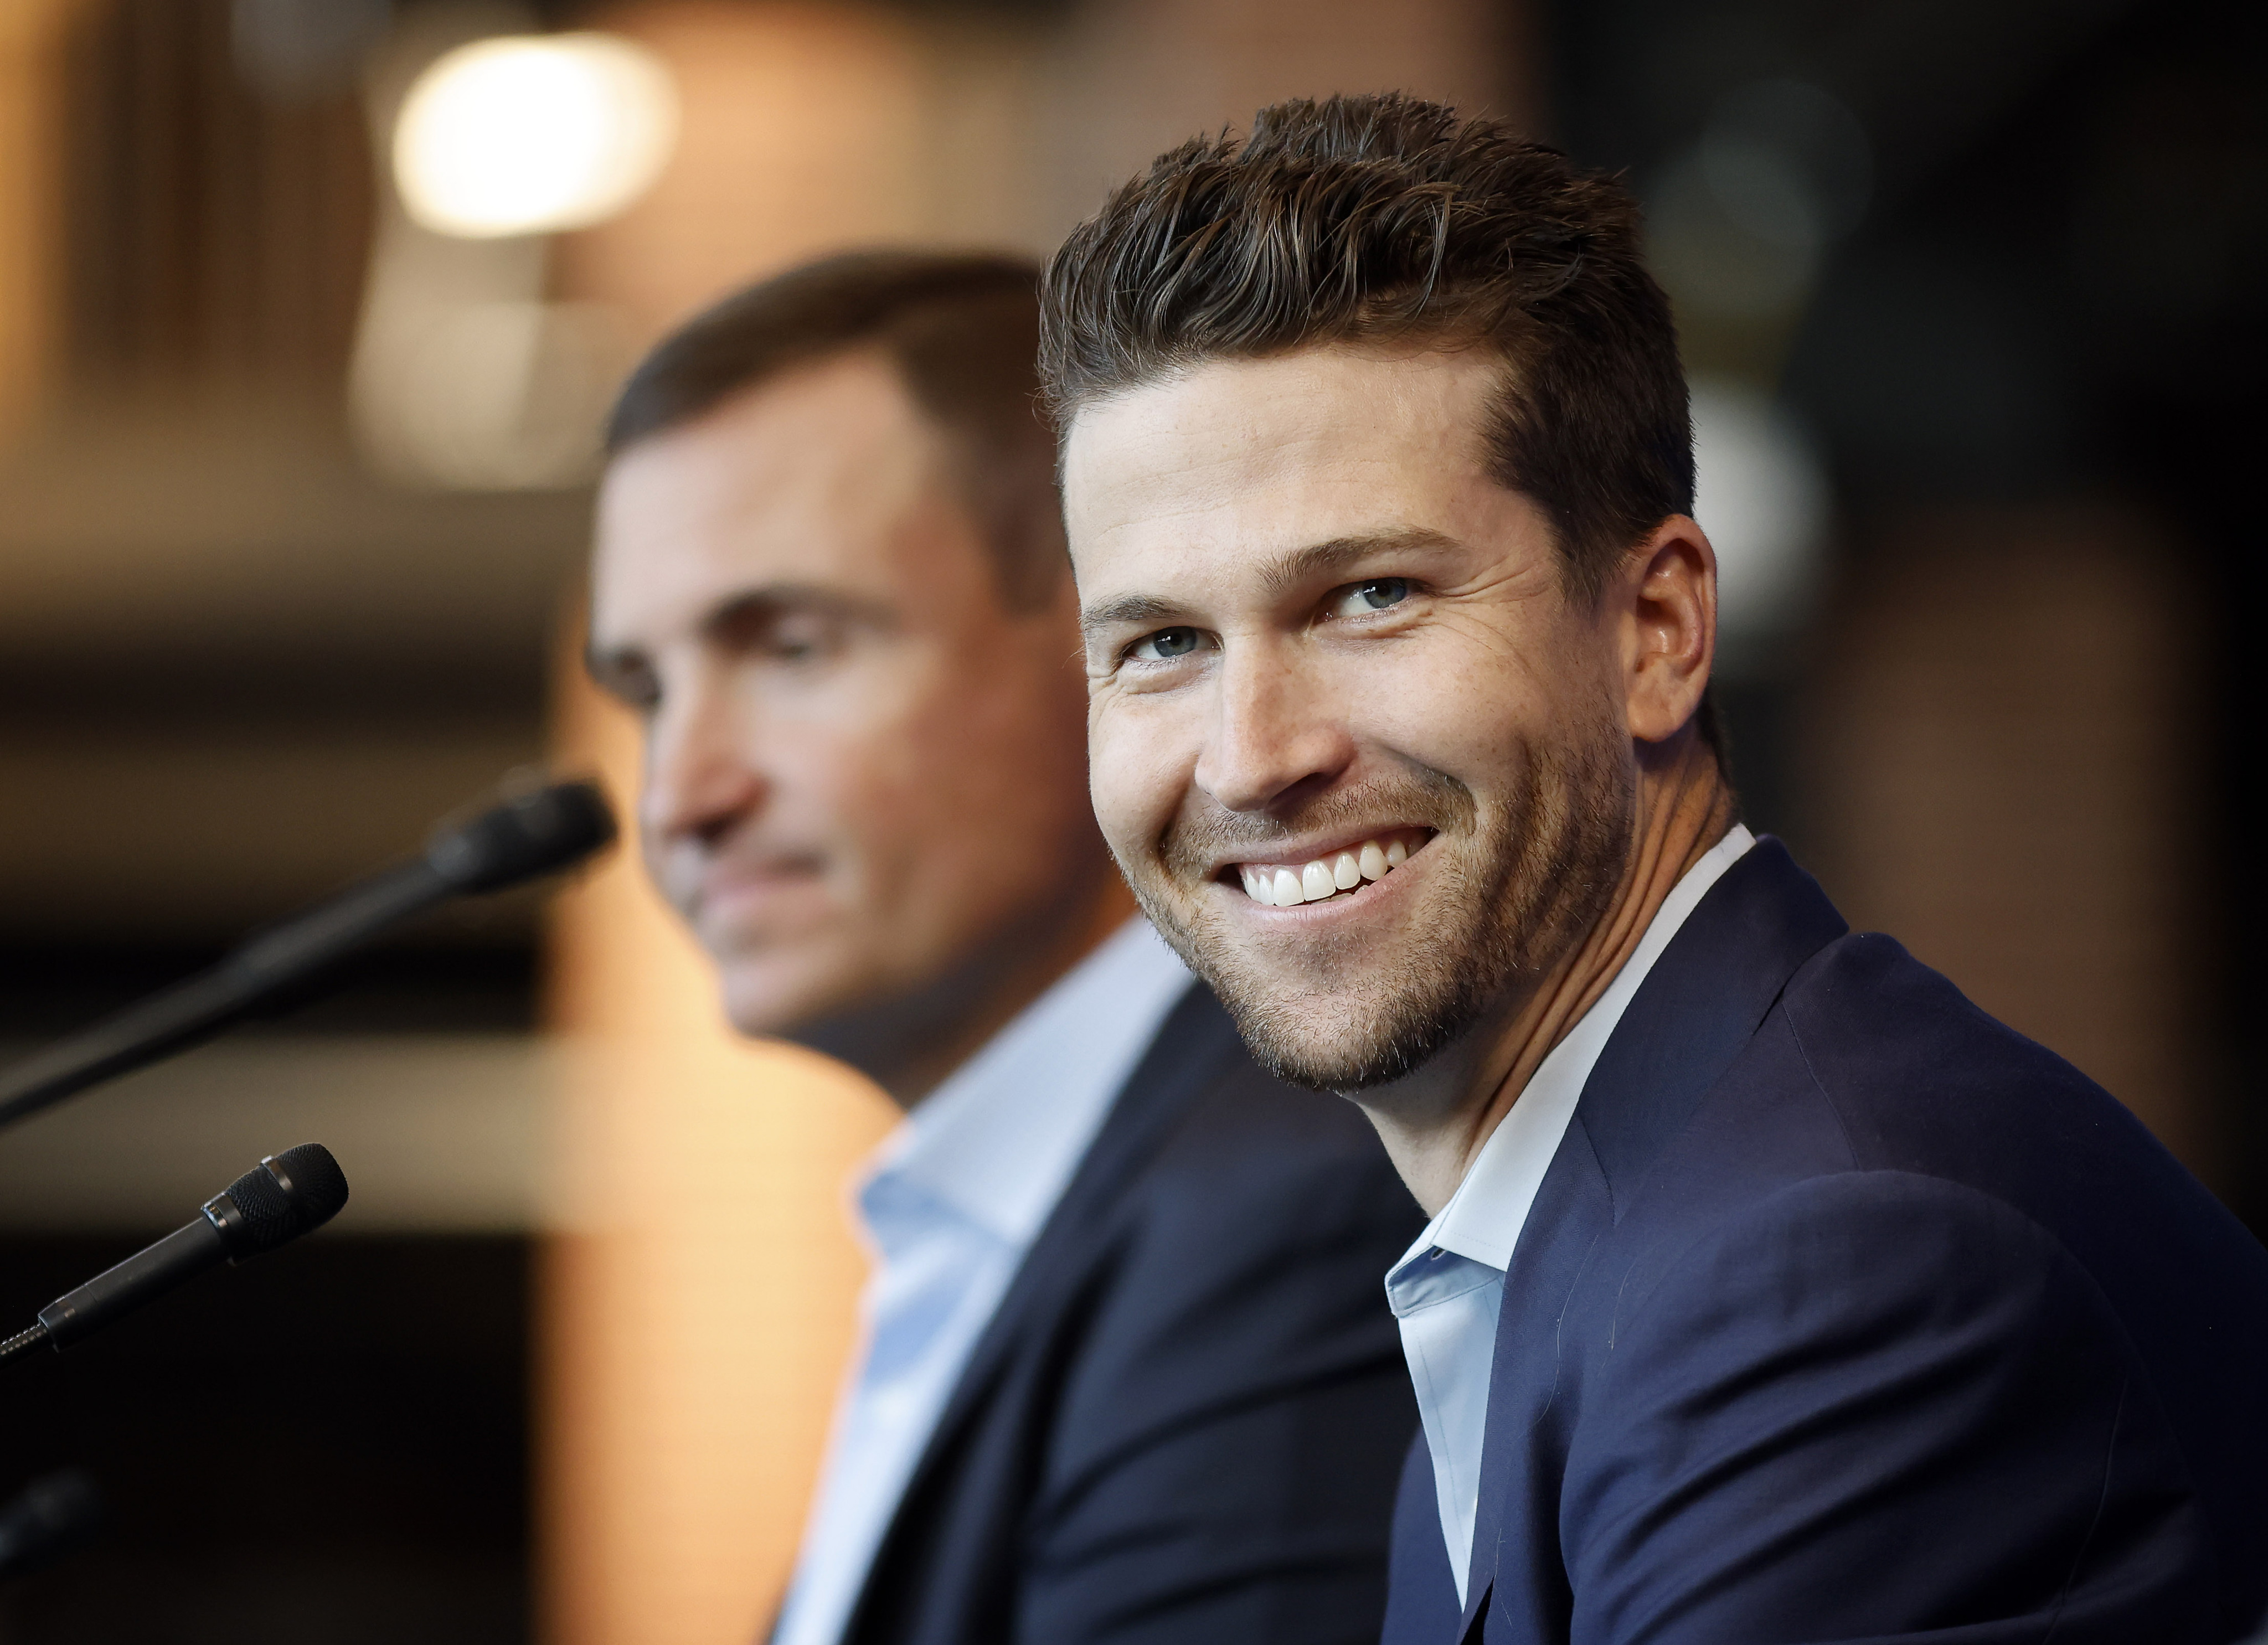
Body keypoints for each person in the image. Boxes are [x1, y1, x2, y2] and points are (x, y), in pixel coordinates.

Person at [1043, 93, 2268, 1644]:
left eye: (1368, 596)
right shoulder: (1579, 1222)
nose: (1248, 754)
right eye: (1161, 644)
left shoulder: (1835, 1272)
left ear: (1658, 631)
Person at [584, 250, 1421, 1645]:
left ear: (1107, 638)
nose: (680, 796)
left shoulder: (1283, 1208)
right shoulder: (1020, 1212)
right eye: (648, 690)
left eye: (792, 646)